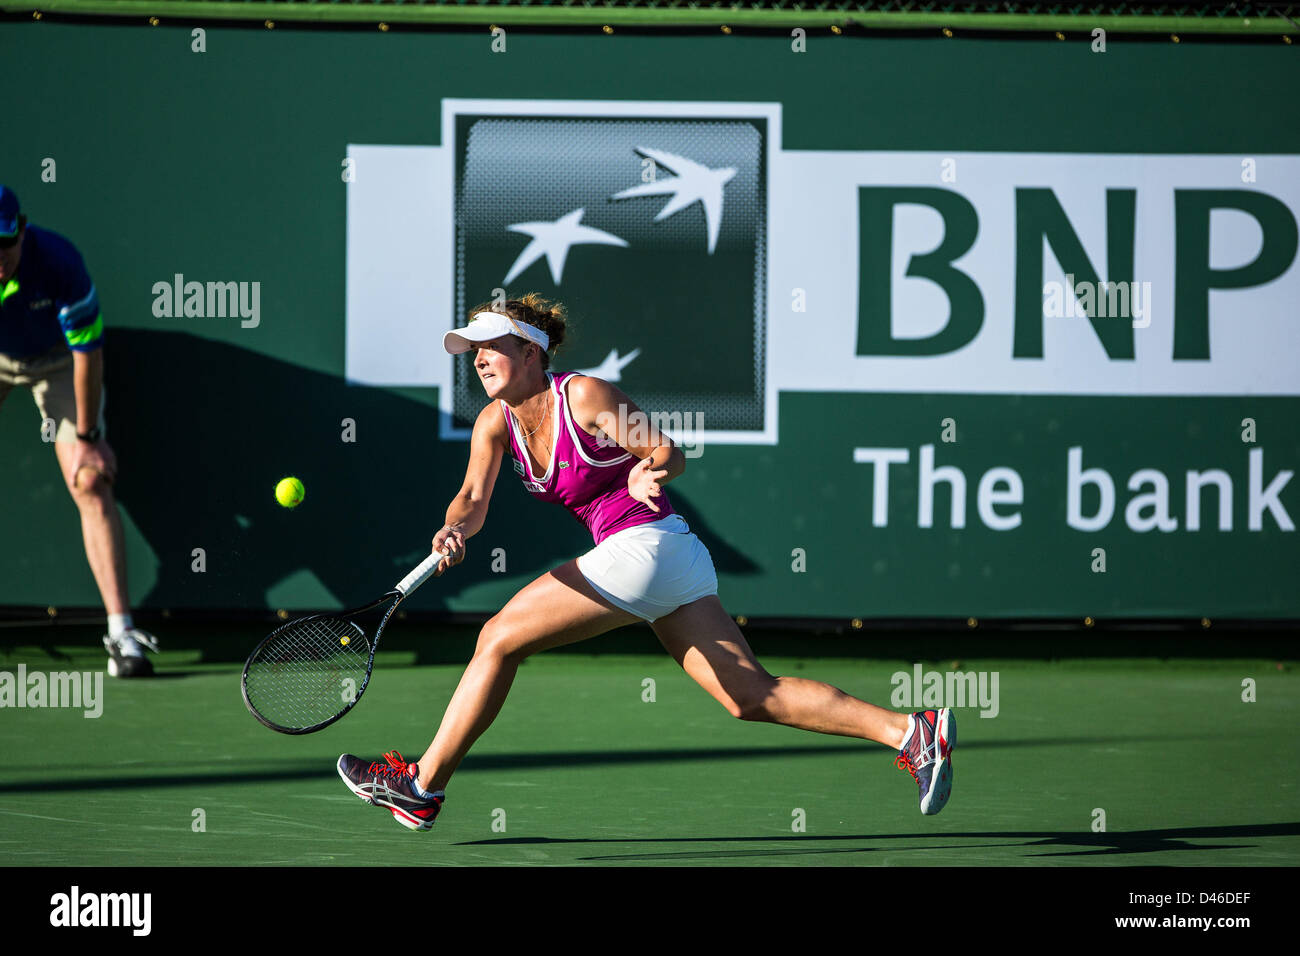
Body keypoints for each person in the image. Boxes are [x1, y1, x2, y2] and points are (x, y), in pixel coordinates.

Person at [336, 294, 954, 830]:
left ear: (529, 352)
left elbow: (669, 451)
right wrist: (454, 529)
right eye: (473, 349)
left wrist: (644, 469)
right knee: (750, 695)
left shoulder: (583, 395)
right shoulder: (495, 424)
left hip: (649, 544)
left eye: (490, 345)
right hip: (668, 562)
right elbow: (473, 498)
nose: (478, 358)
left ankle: (420, 786)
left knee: (498, 639)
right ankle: (910, 731)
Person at [0, 185, 158, 677]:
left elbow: (88, 353)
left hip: (59, 364)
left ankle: (120, 632)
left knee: (90, 481)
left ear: (21, 231)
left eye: (3, 243)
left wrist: (88, 439)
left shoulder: (58, 261)